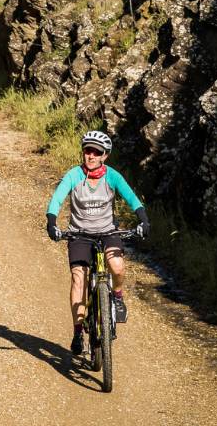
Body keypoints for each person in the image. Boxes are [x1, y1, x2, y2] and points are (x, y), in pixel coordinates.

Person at [44, 130, 150, 359]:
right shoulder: (73, 175)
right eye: (87, 150)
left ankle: (118, 297)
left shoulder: (112, 176)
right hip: (79, 234)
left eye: (96, 152)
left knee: (118, 266)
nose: (90, 156)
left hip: (108, 232)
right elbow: (57, 199)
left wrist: (143, 219)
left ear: (105, 156)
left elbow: (131, 197)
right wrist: (51, 222)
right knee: (78, 278)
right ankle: (77, 332)